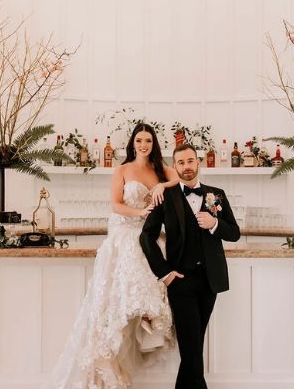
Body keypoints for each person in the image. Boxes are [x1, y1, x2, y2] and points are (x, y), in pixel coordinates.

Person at [44, 123, 181, 388]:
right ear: (133, 143)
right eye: (140, 141)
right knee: (116, 301)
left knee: (151, 278)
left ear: (153, 144)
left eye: (148, 141)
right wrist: (139, 213)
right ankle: (109, 358)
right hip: (125, 234)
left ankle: (145, 320)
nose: (144, 145)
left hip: (149, 236)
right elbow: (116, 204)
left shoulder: (158, 168)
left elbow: (177, 177)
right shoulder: (123, 169)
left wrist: (163, 186)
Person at [140, 143, 241, 389]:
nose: (186, 167)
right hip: (180, 280)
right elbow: (146, 236)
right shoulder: (166, 196)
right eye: (181, 163)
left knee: (193, 344)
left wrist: (214, 223)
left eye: (190, 161)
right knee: (191, 346)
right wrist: (164, 273)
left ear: (198, 163)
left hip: (210, 280)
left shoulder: (216, 194)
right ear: (175, 167)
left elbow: (234, 233)